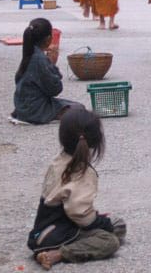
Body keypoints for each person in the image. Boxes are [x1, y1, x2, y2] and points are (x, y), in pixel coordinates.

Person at [28, 106, 126, 270]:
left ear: (63, 138)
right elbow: (79, 213)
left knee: (112, 225)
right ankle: (58, 254)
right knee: (112, 237)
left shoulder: (58, 161)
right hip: (59, 234)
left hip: (43, 230)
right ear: (96, 140)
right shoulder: (82, 172)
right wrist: (102, 223)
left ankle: (49, 250)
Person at [12, 18, 85, 124]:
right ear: (49, 39)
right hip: (34, 110)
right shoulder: (39, 59)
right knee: (79, 109)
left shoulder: (29, 52)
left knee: (68, 105)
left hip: (21, 107)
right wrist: (52, 63)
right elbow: (55, 89)